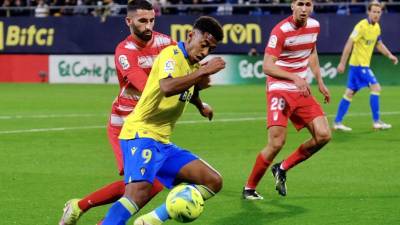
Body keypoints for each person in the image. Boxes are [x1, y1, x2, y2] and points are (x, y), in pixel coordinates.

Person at [101, 16, 225, 225]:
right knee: (136, 195)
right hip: (141, 133)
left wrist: (200, 105)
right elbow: (167, 87)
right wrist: (204, 70)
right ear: (190, 36)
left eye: (210, 50)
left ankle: (150, 221)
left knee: (212, 181)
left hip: (162, 141)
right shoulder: (172, 55)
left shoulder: (192, 66)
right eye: (204, 45)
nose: (205, 53)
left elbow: (190, 90)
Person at [59, 1, 174, 224]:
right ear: (128, 21)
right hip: (125, 121)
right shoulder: (124, 51)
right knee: (143, 183)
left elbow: (182, 63)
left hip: (149, 122)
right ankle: (85, 210)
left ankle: (78, 207)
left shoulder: (166, 42)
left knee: (151, 182)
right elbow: (146, 86)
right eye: (142, 21)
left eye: (151, 20)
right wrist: (177, 86)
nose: (148, 25)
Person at [242, 0, 331, 200]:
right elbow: (267, 66)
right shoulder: (280, 31)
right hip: (279, 88)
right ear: (292, 6)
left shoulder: (314, 26)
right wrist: (294, 77)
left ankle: (281, 168)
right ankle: (249, 188)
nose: (304, 8)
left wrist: (320, 81)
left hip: (301, 89)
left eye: (308, 4)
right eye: (300, 3)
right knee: (277, 142)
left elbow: (312, 52)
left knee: (324, 135)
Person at [333, 1, 398, 131]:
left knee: (350, 93)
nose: (376, 14)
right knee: (376, 87)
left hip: (360, 65)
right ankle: (377, 121)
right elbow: (349, 43)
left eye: (378, 12)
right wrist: (342, 62)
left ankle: (337, 122)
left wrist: (390, 55)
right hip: (359, 65)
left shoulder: (376, 27)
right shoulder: (361, 26)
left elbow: (379, 44)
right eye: (373, 11)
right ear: (368, 12)